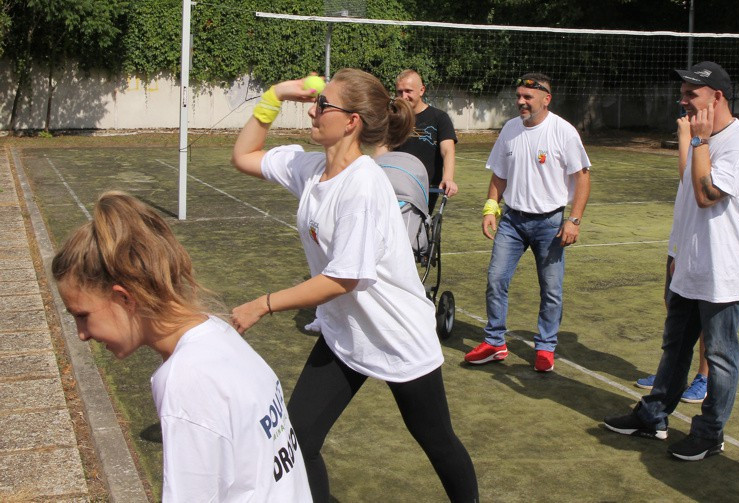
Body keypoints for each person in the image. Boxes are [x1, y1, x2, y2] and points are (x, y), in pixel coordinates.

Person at [229, 68, 478, 502]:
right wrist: (275, 95)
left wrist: (263, 304)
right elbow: (244, 155)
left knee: (437, 441)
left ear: (351, 122)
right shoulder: (310, 169)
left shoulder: (363, 186)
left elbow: (342, 279)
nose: (312, 110)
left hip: (398, 335)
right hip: (346, 333)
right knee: (299, 440)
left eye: (323, 104)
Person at [51, 191, 312, 501]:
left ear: (124, 298)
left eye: (83, 316)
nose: (81, 334)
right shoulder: (216, 331)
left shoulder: (186, 381)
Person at [604, 61, 739, 461]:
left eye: (692, 93)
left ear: (717, 97)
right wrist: (677, 254)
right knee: (674, 348)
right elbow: (687, 196)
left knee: (720, 358)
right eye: (683, 93)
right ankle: (653, 416)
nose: (683, 101)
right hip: (690, 265)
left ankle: (710, 434)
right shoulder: (700, 140)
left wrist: (700, 141)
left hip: (722, 272)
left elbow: (707, 195)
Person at [464, 72, 591, 372]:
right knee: (496, 279)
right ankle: (495, 342)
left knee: (551, 290)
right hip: (512, 221)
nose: (521, 102)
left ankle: (545, 347)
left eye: (527, 97)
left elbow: (582, 178)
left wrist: (574, 220)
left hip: (550, 224)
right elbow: (499, 174)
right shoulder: (510, 129)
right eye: (519, 96)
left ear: (546, 99)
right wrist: (490, 208)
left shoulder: (563, 131)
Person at [635, 116, 709, 405]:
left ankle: (703, 377)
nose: (685, 104)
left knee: (704, 315)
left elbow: (689, 179)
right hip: (681, 238)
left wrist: (685, 135)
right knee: (673, 304)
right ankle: (672, 373)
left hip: (701, 243)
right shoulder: (697, 135)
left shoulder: (710, 138)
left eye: (691, 96)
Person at [375, 69, 458, 214]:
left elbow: (447, 150)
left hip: (425, 189)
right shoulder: (391, 118)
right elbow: (382, 149)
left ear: (421, 90)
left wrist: (448, 178)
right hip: (395, 187)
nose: (403, 97)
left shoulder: (439, 118)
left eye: (408, 91)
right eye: (399, 92)